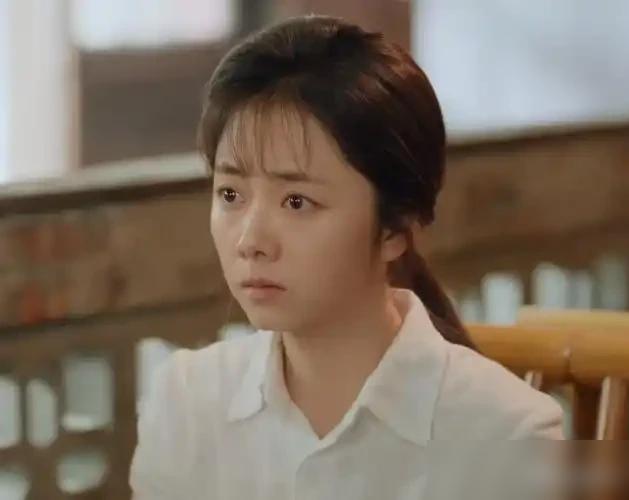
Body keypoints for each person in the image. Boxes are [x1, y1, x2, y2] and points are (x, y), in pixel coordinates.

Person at [129, 14, 565, 500]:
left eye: (297, 202)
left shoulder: (507, 435)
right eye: (230, 194)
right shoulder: (186, 401)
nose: (250, 240)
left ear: (394, 227)